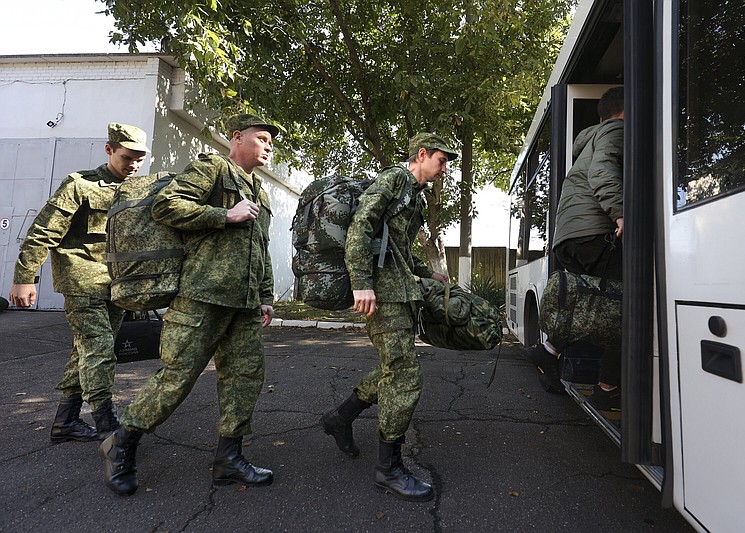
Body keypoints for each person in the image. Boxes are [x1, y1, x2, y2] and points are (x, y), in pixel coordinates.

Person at [100, 113, 278, 496]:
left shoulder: (258, 191)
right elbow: (166, 206)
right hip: (201, 297)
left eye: (270, 142)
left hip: (244, 305)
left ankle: (229, 458)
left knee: (245, 380)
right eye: (262, 138)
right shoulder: (212, 168)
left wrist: (265, 296)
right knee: (176, 378)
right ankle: (121, 443)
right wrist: (223, 214)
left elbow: (259, 248)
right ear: (237, 138)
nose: (268, 146)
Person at [320, 132, 457, 502]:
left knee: (393, 369)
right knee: (406, 375)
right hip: (381, 294)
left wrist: (430, 273)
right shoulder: (395, 178)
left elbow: (397, 249)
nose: (445, 169)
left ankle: (340, 418)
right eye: (442, 161)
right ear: (423, 154)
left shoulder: (415, 193)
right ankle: (389, 469)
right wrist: (361, 282)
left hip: (399, 292)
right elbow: (361, 225)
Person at [8, 123, 149, 443]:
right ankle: (106, 423)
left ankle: (65, 421)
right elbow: (43, 231)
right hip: (82, 279)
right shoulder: (79, 185)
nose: (134, 165)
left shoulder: (133, 189)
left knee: (86, 350)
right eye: (128, 157)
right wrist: (24, 278)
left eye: (140, 159)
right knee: (99, 349)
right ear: (109, 149)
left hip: (116, 283)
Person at [532, 86, 624, 410]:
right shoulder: (617, 129)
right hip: (593, 231)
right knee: (623, 307)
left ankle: (549, 350)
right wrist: (621, 212)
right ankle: (607, 387)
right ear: (626, 111)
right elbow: (603, 172)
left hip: (568, 236)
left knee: (590, 303)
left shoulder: (589, 140)